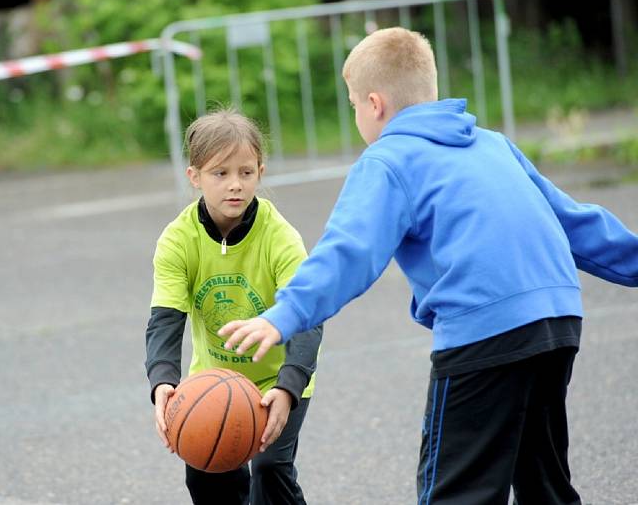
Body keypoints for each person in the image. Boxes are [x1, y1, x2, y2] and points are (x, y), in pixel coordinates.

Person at [219, 27, 638, 504]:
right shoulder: (492, 144)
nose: (356, 113)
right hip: (557, 324)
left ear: (374, 104)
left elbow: (350, 251)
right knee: (544, 483)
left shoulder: (389, 160)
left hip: (483, 332)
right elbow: (575, 223)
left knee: (455, 492)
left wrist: (284, 314)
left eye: (354, 103)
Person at [145, 108, 323, 505]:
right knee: (208, 472)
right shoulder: (178, 240)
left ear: (260, 171)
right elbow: (165, 321)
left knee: (270, 469)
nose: (235, 185)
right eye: (220, 173)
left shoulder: (280, 237)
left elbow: (309, 318)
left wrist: (289, 386)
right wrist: (163, 383)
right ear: (195, 177)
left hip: (277, 378)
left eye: (245, 172)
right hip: (213, 381)